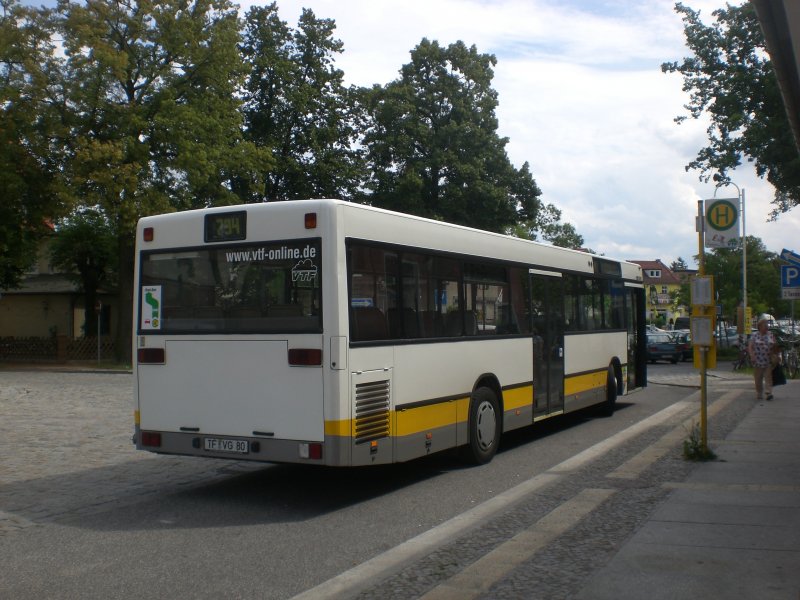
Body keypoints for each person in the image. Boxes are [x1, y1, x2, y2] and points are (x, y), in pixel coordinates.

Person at [748, 316, 776, 401]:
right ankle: (759, 392)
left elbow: (775, 345)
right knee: (758, 379)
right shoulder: (754, 335)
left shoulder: (770, 334)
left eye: (767, 325)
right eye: (765, 325)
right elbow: (750, 346)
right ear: (760, 326)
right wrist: (752, 355)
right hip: (757, 360)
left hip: (768, 360)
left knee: (768, 377)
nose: (766, 327)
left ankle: (768, 393)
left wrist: (775, 353)